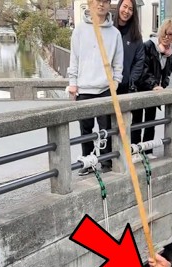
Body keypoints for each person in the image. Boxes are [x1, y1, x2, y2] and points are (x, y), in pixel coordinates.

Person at [67, 0, 124, 176]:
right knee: (86, 129)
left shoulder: (114, 33)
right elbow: (74, 58)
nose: (101, 5)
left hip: (105, 88)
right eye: (98, 1)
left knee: (105, 128)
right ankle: (88, 161)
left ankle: (106, 161)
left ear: (109, 5)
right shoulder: (79, 30)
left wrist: (115, 82)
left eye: (105, 1)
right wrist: (73, 83)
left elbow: (118, 63)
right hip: (84, 88)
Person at [132, 18, 172, 151]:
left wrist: (163, 84)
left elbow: (167, 73)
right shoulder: (148, 46)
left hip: (155, 90)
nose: (166, 37)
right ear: (159, 32)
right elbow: (143, 70)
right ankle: (134, 150)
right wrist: (153, 84)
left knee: (151, 121)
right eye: (164, 33)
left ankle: (147, 150)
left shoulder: (171, 53)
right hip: (141, 88)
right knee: (137, 122)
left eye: (170, 34)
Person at [114, 0, 146, 101]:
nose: (126, 11)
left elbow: (139, 61)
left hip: (125, 87)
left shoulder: (135, 35)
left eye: (131, 9)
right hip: (106, 86)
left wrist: (131, 81)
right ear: (119, 6)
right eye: (125, 7)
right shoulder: (108, 29)